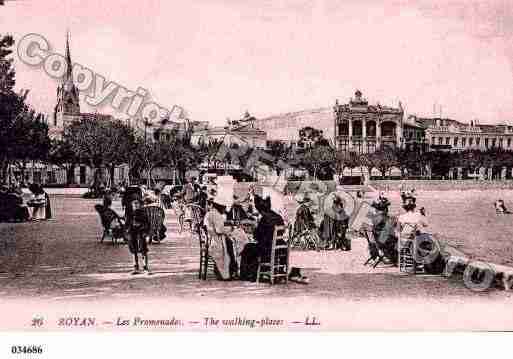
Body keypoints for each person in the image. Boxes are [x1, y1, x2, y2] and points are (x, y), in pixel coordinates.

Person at [204, 194, 237, 280]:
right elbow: (219, 230)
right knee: (233, 244)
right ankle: (230, 271)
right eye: (224, 207)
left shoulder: (209, 213)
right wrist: (231, 228)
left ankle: (230, 269)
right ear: (220, 207)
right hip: (216, 240)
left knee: (230, 243)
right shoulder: (217, 215)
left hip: (211, 239)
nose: (225, 210)